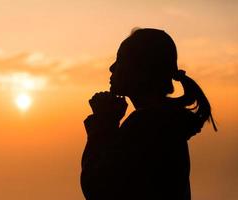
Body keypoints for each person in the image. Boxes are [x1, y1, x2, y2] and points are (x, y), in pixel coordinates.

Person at [80, 28, 217, 200]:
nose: (112, 67)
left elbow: (98, 188)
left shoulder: (146, 125)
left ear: (142, 71)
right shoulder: (164, 121)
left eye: (120, 60)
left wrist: (103, 125)